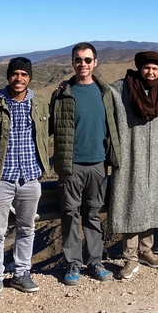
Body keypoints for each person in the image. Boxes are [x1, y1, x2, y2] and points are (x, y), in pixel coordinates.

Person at [50, 42, 120, 285]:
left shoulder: (105, 93)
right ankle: (73, 263)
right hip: (71, 164)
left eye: (87, 60)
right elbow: (50, 128)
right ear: (72, 62)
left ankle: (95, 261)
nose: (83, 64)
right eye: (78, 59)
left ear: (95, 63)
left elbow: (113, 127)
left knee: (92, 213)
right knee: (69, 214)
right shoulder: (61, 94)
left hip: (98, 163)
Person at [0, 57, 50, 301]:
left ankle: (22, 273)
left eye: (24, 74)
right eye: (15, 74)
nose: (19, 78)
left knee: (26, 228)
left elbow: (46, 133)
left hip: (30, 175)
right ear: (8, 76)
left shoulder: (39, 103)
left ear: (30, 77)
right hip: (1, 176)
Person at [108, 51, 158, 279]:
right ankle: (130, 257)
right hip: (130, 154)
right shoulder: (122, 88)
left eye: (155, 68)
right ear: (140, 68)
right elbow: (101, 95)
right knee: (130, 203)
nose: (150, 72)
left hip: (156, 156)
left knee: (151, 202)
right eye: (147, 68)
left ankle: (146, 250)